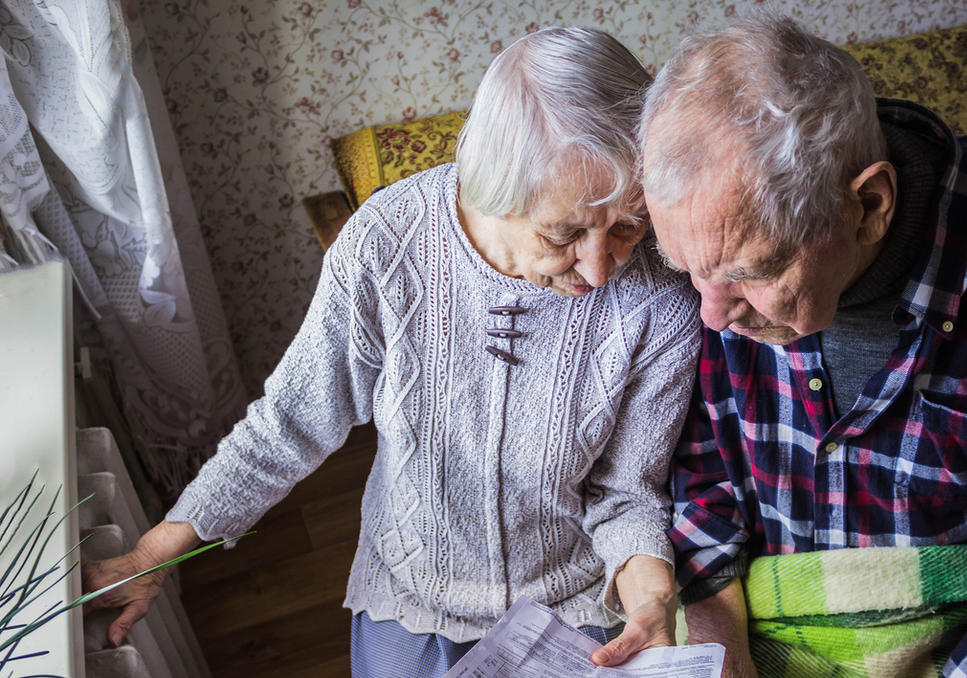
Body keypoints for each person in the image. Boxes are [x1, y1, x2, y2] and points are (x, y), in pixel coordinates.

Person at [84, 26, 700, 677]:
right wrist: (150, 554)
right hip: (411, 591)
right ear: (495, 189)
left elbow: (626, 491)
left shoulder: (661, 290)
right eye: (564, 233)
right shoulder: (388, 246)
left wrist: (653, 605)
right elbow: (291, 421)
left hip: (572, 603)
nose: (601, 268)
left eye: (628, 226)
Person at [640, 16, 967, 678]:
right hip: (762, 623)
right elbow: (705, 484)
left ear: (870, 205)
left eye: (752, 275)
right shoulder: (721, 256)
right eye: (689, 269)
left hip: (963, 646)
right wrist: (718, 646)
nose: (712, 313)